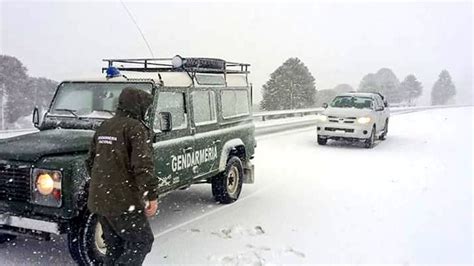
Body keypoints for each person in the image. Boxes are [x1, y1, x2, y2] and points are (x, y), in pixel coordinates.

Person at [85, 87, 159, 265]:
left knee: (115, 246)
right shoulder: (135, 128)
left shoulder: (105, 126)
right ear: (138, 106)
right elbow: (142, 166)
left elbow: (89, 162)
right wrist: (152, 195)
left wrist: (104, 183)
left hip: (99, 199)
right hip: (123, 202)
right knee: (142, 241)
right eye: (145, 107)